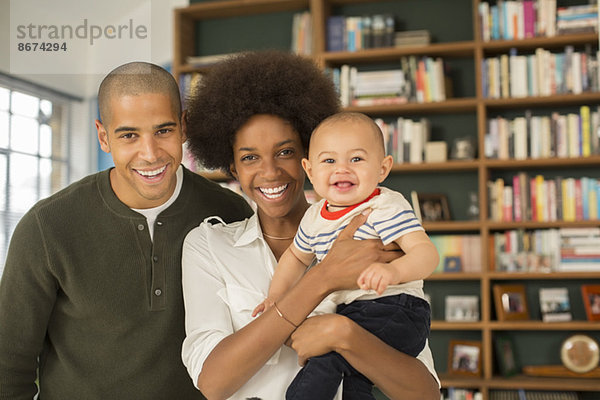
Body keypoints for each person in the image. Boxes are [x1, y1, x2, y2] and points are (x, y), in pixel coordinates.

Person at [181, 50, 440, 400]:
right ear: (232, 168)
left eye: (285, 151)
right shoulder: (209, 246)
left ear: (307, 160)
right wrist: (323, 278)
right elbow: (212, 383)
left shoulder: (374, 228)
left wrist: (343, 333)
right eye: (249, 157)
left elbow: (425, 393)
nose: (270, 172)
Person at [0, 62, 252, 399]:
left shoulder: (231, 213)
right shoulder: (47, 227)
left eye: (163, 131)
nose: (150, 154)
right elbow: (8, 364)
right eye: (129, 135)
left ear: (183, 127)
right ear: (103, 136)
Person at [251, 111, 439, 400]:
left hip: (396, 309)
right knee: (351, 378)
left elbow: (427, 255)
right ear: (310, 170)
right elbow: (295, 258)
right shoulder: (314, 217)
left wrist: (394, 272)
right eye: (329, 161)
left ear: (382, 168)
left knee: (326, 360)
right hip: (354, 314)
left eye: (356, 159)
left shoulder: (383, 206)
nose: (342, 169)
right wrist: (276, 299)